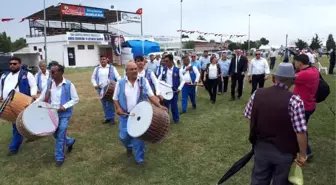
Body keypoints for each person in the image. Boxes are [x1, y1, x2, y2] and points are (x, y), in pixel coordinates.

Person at [245, 63, 308, 185]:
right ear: (292, 81)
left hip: (261, 147)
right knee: (281, 181)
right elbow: (300, 131)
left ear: (275, 78)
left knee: (259, 179)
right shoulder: (295, 100)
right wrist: (303, 154)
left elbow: (248, 115)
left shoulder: (257, 93)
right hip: (284, 151)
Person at [113, 62, 167, 165]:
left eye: (135, 69)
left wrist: (159, 106)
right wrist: (118, 108)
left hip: (140, 115)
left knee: (139, 138)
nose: (134, 71)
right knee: (124, 137)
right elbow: (115, 98)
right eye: (131, 69)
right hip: (125, 115)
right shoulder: (120, 83)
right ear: (126, 71)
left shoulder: (143, 81)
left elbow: (151, 95)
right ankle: (128, 147)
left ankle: (140, 159)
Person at [36, 64, 79, 167]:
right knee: (54, 133)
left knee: (60, 134)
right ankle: (70, 141)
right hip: (52, 113)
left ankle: (59, 158)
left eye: (53, 72)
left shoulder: (68, 84)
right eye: (51, 71)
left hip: (64, 114)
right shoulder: (49, 83)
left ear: (61, 73)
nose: (51, 74)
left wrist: (64, 106)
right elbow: (42, 97)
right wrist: (33, 105)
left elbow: (75, 99)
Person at [0, 57, 37, 156]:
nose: (12, 65)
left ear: (20, 64)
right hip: (8, 104)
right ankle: (31, 134)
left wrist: (33, 95)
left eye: (15, 63)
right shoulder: (4, 75)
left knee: (18, 125)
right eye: (11, 64)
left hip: (21, 102)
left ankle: (13, 147)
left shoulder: (27, 74)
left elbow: (33, 85)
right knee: (17, 124)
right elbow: (1, 87)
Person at [293, 54, 319, 159]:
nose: (294, 64)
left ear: (299, 63)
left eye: (295, 62)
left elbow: (286, 79)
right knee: (301, 128)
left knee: (299, 129)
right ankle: (304, 149)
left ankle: (306, 151)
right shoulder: (314, 70)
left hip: (303, 106)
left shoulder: (303, 74)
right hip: (310, 104)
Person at [91, 56, 121, 125]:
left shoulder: (112, 68)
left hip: (110, 89)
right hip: (100, 89)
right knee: (104, 104)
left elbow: (118, 77)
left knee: (110, 103)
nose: (102, 61)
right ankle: (107, 118)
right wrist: (95, 85)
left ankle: (112, 119)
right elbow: (93, 78)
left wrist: (119, 83)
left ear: (107, 60)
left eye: (104, 59)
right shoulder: (97, 69)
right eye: (101, 59)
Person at [158, 54, 185, 124]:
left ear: (171, 61)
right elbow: (158, 79)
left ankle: (176, 119)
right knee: (165, 107)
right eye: (164, 61)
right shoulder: (164, 69)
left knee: (174, 106)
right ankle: (165, 121)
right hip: (165, 91)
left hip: (174, 91)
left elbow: (183, 80)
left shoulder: (177, 70)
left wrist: (179, 88)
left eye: (166, 61)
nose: (165, 63)